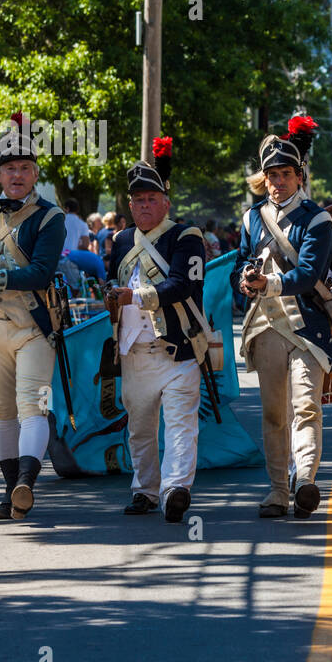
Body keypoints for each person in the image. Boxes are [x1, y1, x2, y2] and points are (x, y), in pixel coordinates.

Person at [0, 119, 66, 520]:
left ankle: (26, 483)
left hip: (33, 326)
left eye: (24, 168)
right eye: (9, 169)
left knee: (32, 407)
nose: (16, 175)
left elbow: (40, 272)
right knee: (0, 411)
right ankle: (10, 491)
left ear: (35, 173)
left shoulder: (51, 218)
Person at [234, 117, 332, 519]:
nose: (278, 182)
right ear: (264, 178)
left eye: (285, 174)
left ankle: (306, 480)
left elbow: (310, 274)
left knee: (306, 406)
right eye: (272, 175)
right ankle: (278, 489)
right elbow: (240, 265)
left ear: (300, 176)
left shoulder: (317, 219)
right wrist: (245, 282)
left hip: (306, 328)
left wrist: (268, 283)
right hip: (265, 327)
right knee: (273, 414)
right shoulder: (251, 218)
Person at [107, 160, 205, 523]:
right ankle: (145, 490)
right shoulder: (119, 242)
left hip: (176, 349)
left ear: (165, 201)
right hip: (133, 351)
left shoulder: (185, 237)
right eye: (138, 200)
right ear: (129, 206)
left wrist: (135, 298)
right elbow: (111, 285)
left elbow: (184, 285)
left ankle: (176, 488)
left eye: (151, 198)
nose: (144, 205)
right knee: (141, 428)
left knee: (180, 425)